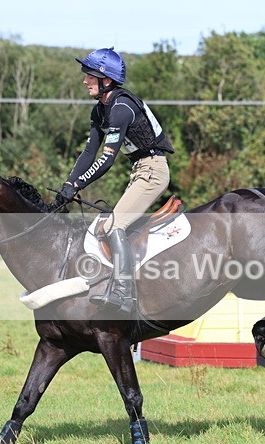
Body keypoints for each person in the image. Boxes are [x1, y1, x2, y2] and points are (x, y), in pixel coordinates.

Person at [56, 47, 174, 315]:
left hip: (153, 170)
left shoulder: (121, 107)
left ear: (106, 80)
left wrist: (78, 186)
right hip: (138, 170)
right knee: (108, 226)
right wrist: (68, 183)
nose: (84, 80)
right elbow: (89, 153)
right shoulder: (100, 111)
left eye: (89, 75)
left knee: (114, 226)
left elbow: (106, 159)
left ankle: (124, 294)